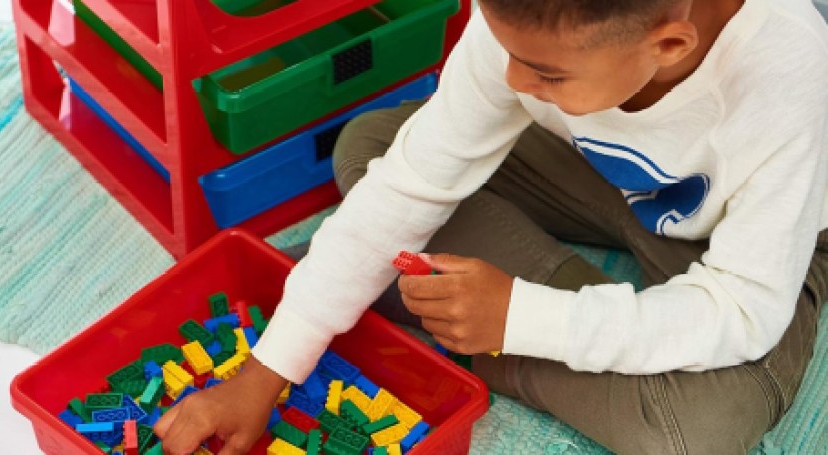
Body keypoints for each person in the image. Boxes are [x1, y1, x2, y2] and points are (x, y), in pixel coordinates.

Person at [155, 0, 828, 453]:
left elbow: (745, 309)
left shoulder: (787, 75)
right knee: (371, 146)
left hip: (740, 236)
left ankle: (470, 323)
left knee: (694, 432)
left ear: (669, 45)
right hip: (591, 165)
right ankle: (453, 305)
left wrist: (523, 318)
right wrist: (268, 369)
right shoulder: (537, 22)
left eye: (544, 71)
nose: (509, 77)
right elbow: (413, 177)